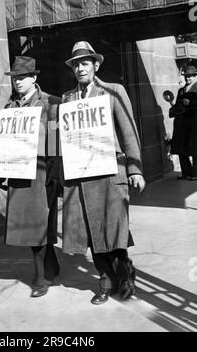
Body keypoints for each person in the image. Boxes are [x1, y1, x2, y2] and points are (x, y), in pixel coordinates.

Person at [60, 41, 145, 304]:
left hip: (111, 173)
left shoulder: (113, 91)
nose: (80, 69)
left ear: (95, 65)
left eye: (85, 63)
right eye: (76, 65)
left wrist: (135, 169)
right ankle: (105, 282)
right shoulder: (67, 99)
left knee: (114, 232)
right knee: (92, 234)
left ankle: (124, 273)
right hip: (81, 177)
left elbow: (128, 132)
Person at [0, 56, 61, 297]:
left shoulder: (51, 103)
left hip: (43, 173)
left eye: (22, 77)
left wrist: (55, 175)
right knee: (34, 228)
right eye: (14, 78)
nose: (18, 82)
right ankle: (49, 269)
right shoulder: (9, 109)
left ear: (34, 78)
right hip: (18, 173)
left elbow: (56, 140)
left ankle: (42, 277)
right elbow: (2, 142)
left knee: (39, 225)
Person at [170, 64, 197, 180]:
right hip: (182, 123)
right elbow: (177, 105)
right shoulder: (181, 90)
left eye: (190, 76)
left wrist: (190, 103)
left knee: (195, 148)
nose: (188, 78)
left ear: (195, 76)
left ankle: (195, 173)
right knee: (182, 148)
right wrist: (172, 105)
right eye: (186, 76)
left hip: (194, 122)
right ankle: (186, 172)